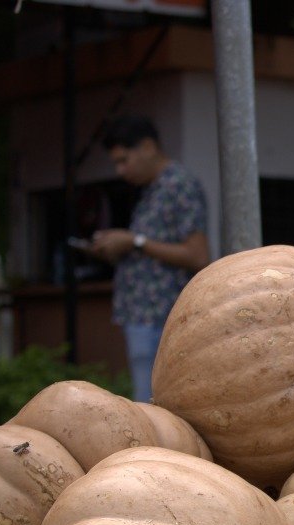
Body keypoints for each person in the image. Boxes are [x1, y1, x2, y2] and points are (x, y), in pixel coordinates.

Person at [87, 114, 209, 402]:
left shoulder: (179, 185)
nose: (120, 170)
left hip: (161, 319)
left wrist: (134, 241)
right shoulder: (152, 190)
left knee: (155, 404)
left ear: (148, 147)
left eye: (123, 160)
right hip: (144, 317)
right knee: (148, 401)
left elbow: (197, 255)